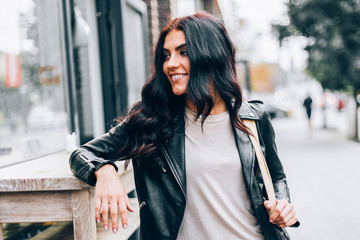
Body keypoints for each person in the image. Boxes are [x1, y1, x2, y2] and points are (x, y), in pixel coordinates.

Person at [70, 12, 299, 240]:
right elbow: (82, 154)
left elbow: (277, 177)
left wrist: (282, 204)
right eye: (166, 55)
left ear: (211, 55)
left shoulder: (254, 117)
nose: (171, 64)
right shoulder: (151, 120)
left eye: (184, 52)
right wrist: (105, 171)